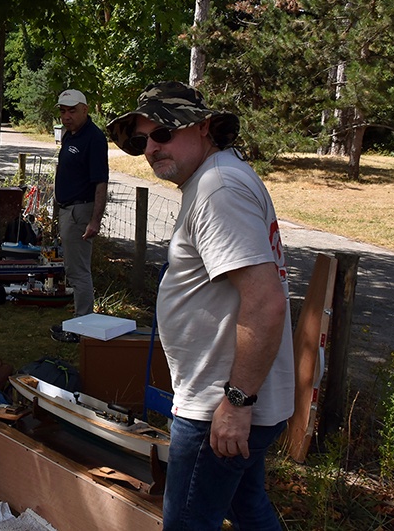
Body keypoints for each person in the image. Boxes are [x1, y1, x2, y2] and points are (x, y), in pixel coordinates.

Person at [106, 82, 294, 530]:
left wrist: (236, 403)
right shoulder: (217, 178)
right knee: (247, 509)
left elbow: (267, 301)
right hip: (227, 397)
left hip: (218, 404)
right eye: (141, 140)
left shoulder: (217, 188)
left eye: (163, 133)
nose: (151, 148)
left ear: (205, 128)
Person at [51, 89, 109, 343]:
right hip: (66, 208)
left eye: (72, 110)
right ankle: (78, 322)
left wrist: (95, 219)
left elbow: (101, 182)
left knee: (79, 271)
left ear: (85, 109)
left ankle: (80, 328)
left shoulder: (94, 139)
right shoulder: (69, 136)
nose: (66, 116)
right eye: (63, 111)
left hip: (80, 210)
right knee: (72, 268)